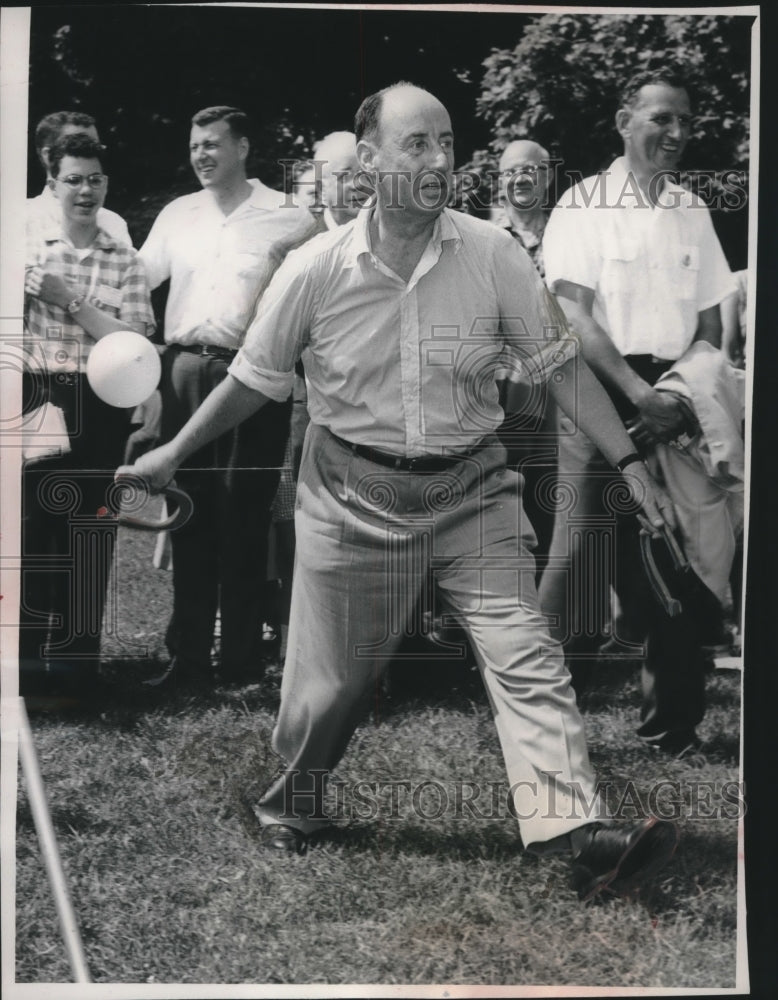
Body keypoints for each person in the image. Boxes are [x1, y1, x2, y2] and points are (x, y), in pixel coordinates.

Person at [119, 83, 680, 902]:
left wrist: (627, 462)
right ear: (369, 159)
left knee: (525, 650)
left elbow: (559, 364)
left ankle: (578, 831)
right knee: (333, 686)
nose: (438, 160)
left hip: (474, 490)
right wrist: (173, 450)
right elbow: (255, 378)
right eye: (416, 143)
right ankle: (294, 800)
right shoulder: (316, 267)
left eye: (447, 143)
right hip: (350, 496)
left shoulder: (493, 253)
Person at [538, 67, 738, 753]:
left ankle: (672, 729)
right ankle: (545, 731)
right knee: (581, 563)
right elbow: (572, 314)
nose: (676, 133)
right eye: (662, 118)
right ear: (625, 122)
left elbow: (711, 320)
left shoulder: (692, 209)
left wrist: (679, 396)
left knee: (682, 565)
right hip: (599, 392)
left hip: (675, 400)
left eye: (685, 121)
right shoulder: (582, 205)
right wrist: (638, 395)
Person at [137, 105, 317, 689]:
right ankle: (188, 659)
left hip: (256, 378)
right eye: (195, 146)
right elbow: (136, 283)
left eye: (212, 144)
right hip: (184, 372)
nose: (201, 155)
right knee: (187, 513)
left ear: (242, 147)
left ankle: (240, 662)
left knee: (245, 517)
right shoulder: (178, 214)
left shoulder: (289, 215)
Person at [21, 133, 155, 694]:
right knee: (33, 532)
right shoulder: (29, 254)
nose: (85, 190)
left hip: (101, 404)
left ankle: (78, 670)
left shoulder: (125, 259)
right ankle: (28, 669)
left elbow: (136, 341)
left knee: (90, 532)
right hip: (36, 397)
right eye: (73, 180)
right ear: (53, 186)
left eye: (95, 179)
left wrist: (70, 300)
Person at [494, 140, 558, 565]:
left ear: (547, 177)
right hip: (502, 390)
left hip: (561, 388)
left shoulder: (568, 234)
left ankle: (549, 588)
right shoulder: (483, 238)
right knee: (503, 494)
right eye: (510, 172)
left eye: (530, 170)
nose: (519, 178)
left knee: (551, 493)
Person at [27, 111, 132, 247]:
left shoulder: (112, 223)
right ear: (47, 155)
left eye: (95, 147)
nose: (88, 152)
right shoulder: (21, 218)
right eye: (74, 145)